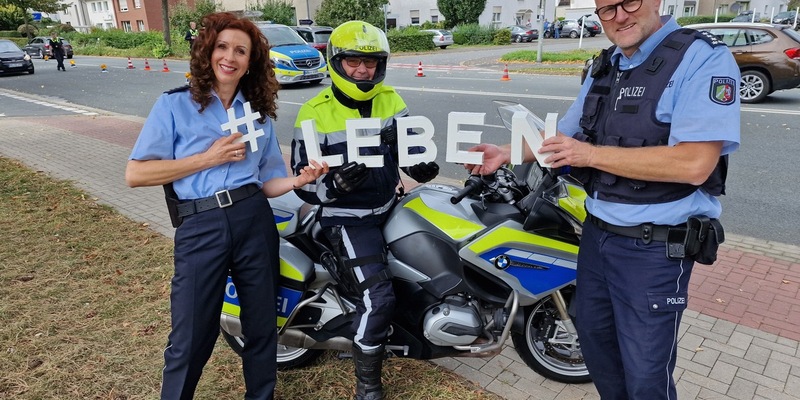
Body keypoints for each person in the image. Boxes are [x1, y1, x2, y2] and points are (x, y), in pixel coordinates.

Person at [466, 0, 740, 398]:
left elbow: (695, 163)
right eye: (606, 9)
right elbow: (565, 137)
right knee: (599, 357)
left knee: (645, 378)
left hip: (653, 249)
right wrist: (506, 152)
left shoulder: (701, 58)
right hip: (596, 238)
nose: (619, 16)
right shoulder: (607, 63)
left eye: (628, 2)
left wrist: (590, 155)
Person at [125, 12, 326, 400]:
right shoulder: (174, 105)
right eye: (222, 47)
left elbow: (267, 182)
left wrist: (298, 181)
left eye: (241, 51)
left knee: (262, 325)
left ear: (251, 61)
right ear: (207, 51)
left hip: (253, 219)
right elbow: (136, 174)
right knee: (191, 333)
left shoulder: (257, 113)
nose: (229, 57)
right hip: (201, 222)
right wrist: (207, 159)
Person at [290, 20, 439, 400]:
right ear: (337, 62)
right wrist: (334, 186)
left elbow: (411, 151)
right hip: (347, 219)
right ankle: (367, 387)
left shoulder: (392, 100)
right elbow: (301, 182)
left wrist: (421, 166)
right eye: (353, 61)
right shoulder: (313, 112)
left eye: (370, 62)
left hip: (390, 205)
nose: (362, 70)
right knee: (379, 298)